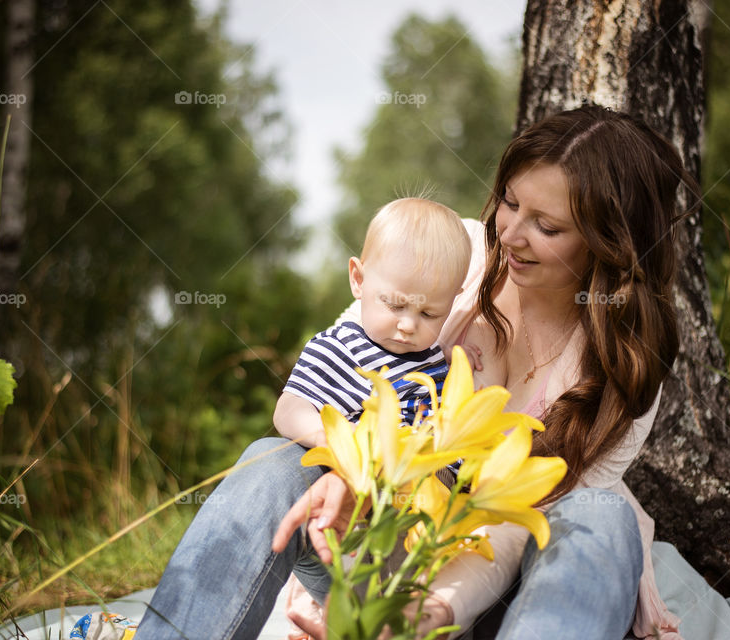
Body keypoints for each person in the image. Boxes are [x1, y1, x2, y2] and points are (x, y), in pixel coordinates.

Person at [135, 105, 693, 640]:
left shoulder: (623, 367)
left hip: (499, 595)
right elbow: (346, 363)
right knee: (274, 459)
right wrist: (357, 473)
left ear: (610, 246)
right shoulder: (455, 254)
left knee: (601, 513)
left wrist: (427, 611)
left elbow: (512, 526)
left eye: (547, 226)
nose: (512, 234)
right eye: (509, 201)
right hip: (383, 559)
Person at [274, 196, 472, 449]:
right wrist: (339, 438)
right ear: (358, 279)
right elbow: (289, 409)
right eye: (395, 305)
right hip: (346, 467)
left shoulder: (432, 359)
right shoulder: (340, 349)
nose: (408, 326)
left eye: (429, 314)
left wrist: (454, 360)